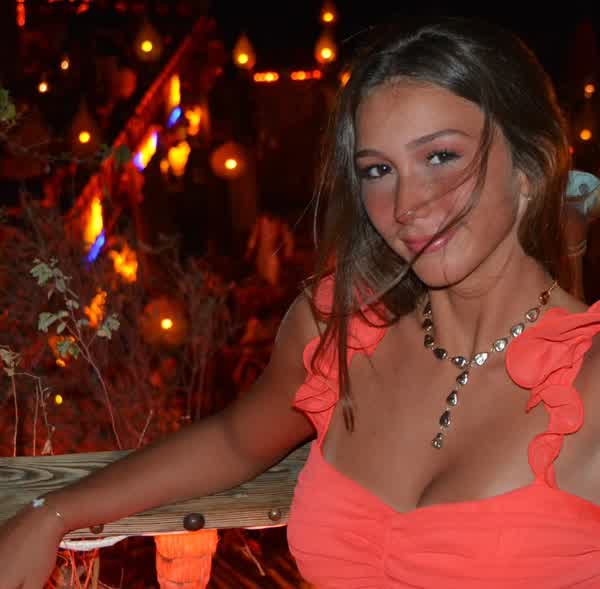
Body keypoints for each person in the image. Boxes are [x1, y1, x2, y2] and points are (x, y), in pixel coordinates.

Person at [2, 15, 600, 588]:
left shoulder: (589, 383)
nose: (406, 204)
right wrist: (53, 513)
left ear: (529, 167)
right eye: (378, 170)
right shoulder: (339, 331)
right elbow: (235, 440)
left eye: (440, 157)